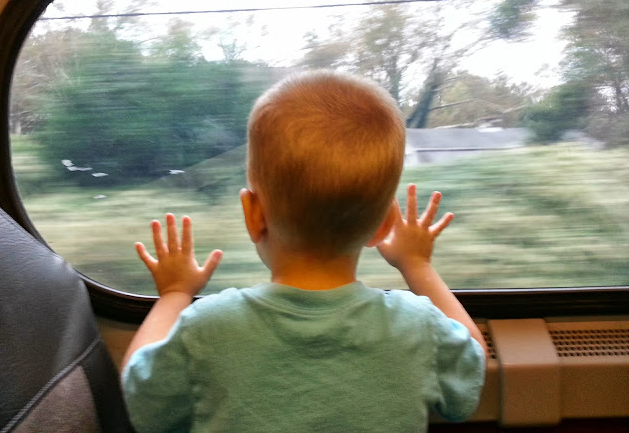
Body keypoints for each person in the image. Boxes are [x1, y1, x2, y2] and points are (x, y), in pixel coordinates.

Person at [121, 70, 486, 433]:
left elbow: (142, 402)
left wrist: (174, 294)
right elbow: (471, 372)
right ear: (384, 224)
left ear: (253, 215)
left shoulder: (208, 328)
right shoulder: (417, 325)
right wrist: (417, 264)